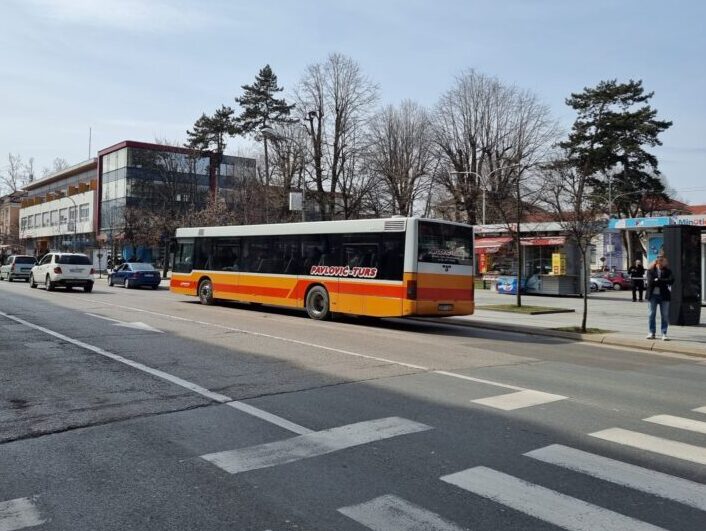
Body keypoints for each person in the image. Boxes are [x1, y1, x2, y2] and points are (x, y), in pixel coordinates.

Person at [645, 256, 675, 341]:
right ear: (658, 262)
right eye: (663, 261)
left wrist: (658, 280)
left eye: (665, 261)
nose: (665, 263)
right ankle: (651, 332)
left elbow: (671, 280)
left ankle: (664, 333)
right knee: (651, 314)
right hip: (653, 296)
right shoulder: (650, 271)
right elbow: (650, 283)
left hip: (664, 296)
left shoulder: (668, 271)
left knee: (665, 315)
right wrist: (662, 281)